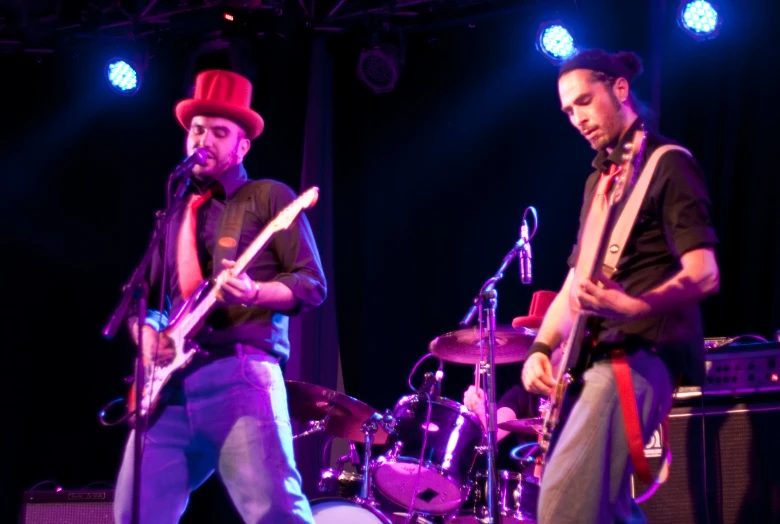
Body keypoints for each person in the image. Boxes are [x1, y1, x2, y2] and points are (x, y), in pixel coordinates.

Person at [112, 69, 327, 524]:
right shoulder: (173, 213)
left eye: (219, 132)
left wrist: (254, 290)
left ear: (242, 145)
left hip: (240, 376)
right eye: (196, 129)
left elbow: (310, 283)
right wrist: (147, 331)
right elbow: (147, 299)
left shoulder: (268, 197)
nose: (203, 139)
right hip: (167, 389)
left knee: (275, 513)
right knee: (134, 513)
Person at [520, 48, 720, 524]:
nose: (577, 118)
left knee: (562, 509)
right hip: (593, 358)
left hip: (637, 356)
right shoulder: (600, 181)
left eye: (585, 101)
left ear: (620, 89)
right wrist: (541, 346)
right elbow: (576, 281)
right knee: (603, 510)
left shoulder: (669, 164)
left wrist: (634, 305)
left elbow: (705, 272)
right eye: (568, 111)